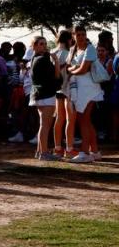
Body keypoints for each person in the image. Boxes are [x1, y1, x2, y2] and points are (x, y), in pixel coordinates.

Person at [65, 25, 102, 163]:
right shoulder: (74, 49)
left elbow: (83, 69)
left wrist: (72, 70)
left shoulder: (90, 48)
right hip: (79, 89)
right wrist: (74, 69)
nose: (81, 37)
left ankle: (85, 152)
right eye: (78, 34)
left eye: (83, 34)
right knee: (85, 119)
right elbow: (71, 66)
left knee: (83, 119)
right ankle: (95, 151)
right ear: (74, 36)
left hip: (89, 89)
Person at [29, 36, 60, 161]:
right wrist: (56, 61)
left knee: (43, 124)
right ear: (35, 46)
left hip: (37, 94)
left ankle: (39, 151)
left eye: (45, 44)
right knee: (45, 125)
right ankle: (44, 152)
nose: (44, 46)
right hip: (46, 94)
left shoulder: (34, 58)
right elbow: (56, 77)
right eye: (41, 44)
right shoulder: (43, 59)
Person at [51, 30, 73, 158]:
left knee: (59, 118)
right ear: (68, 39)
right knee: (70, 119)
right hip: (68, 88)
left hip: (56, 89)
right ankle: (69, 149)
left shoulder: (52, 52)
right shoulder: (68, 53)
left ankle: (58, 148)